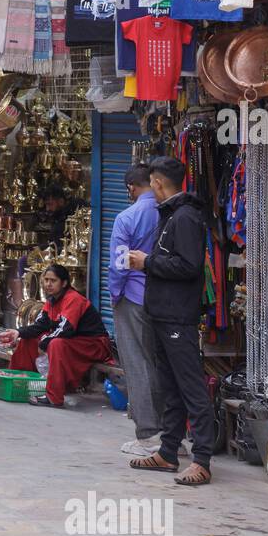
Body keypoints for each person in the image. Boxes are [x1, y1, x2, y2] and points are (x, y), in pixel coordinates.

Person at [126, 156, 216, 487]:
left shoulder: (186, 217)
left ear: (159, 183)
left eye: (152, 183)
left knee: (191, 387)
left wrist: (148, 262)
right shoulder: (173, 215)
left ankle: (203, 459)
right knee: (172, 388)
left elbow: (189, 266)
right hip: (163, 314)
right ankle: (168, 451)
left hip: (178, 315)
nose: (151, 188)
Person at [108, 163, 166, 457]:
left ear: (131, 188)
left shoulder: (126, 217)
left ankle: (148, 436)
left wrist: (114, 293)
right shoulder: (167, 213)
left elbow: (119, 263)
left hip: (132, 296)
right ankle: (170, 435)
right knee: (159, 364)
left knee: (137, 364)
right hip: (164, 298)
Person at [0, 264, 112, 409]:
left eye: (53, 280)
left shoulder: (74, 299)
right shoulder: (51, 301)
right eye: (46, 280)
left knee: (55, 344)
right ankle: (19, 383)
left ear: (63, 283)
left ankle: (54, 397)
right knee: (28, 340)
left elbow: (65, 329)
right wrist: (18, 333)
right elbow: (40, 325)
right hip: (74, 342)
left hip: (94, 345)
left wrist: (43, 343)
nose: (48, 284)